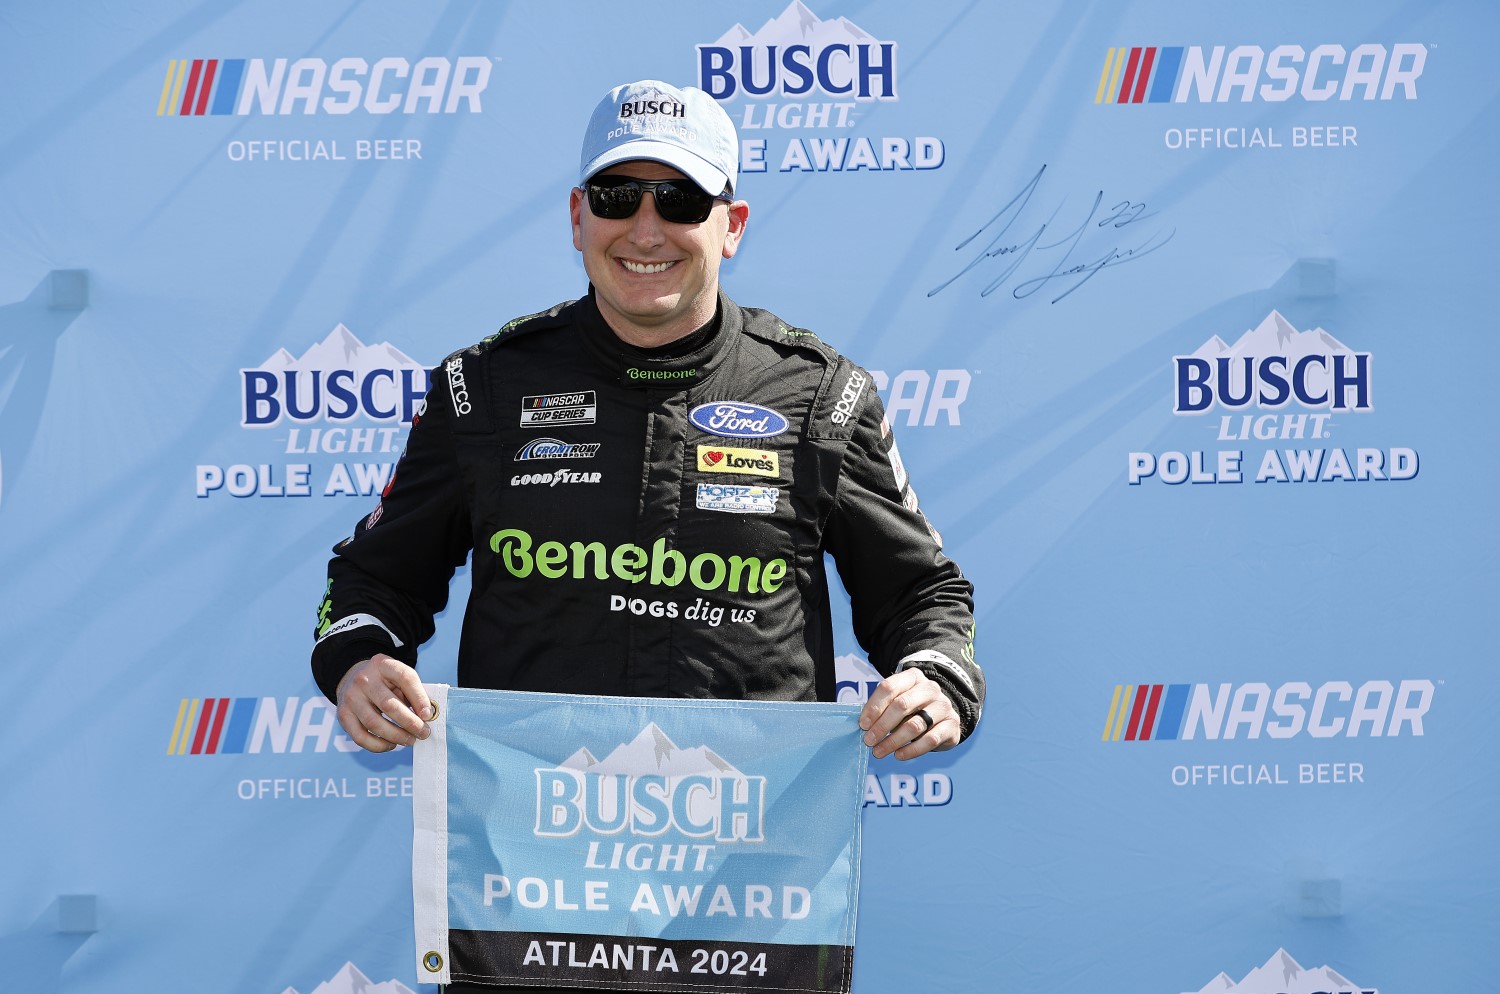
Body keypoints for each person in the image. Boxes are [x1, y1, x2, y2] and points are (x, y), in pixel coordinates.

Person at [311, 82, 983, 986]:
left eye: (681, 200)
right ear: (578, 217)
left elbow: (923, 594)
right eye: (619, 197)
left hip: (749, 887)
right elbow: (371, 583)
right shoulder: (483, 389)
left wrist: (933, 678)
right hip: (530, 890)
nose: (646, 229)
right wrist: (358, 662)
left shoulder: (822, 395)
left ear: (732, 222)